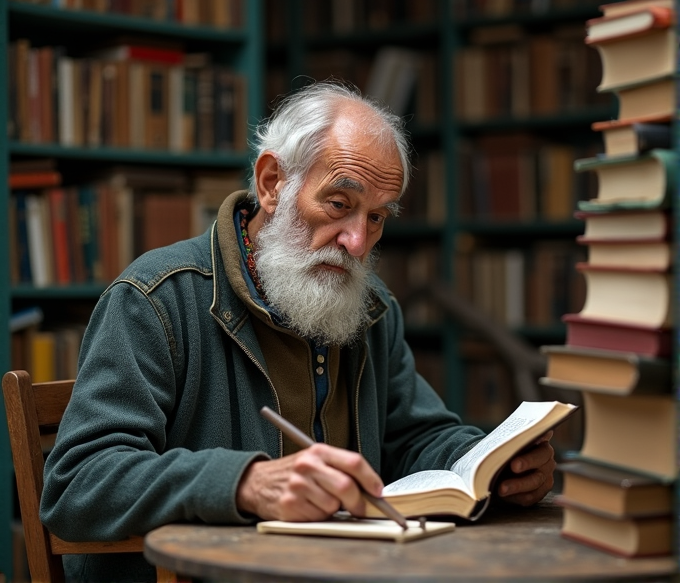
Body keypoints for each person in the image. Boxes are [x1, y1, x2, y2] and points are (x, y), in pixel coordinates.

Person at [40, 81, 555, 582]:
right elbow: (77, 483)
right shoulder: (156, 299)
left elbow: (417, 436)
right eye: (338, 204)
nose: (357, 241)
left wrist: (493, 464)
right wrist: (244, 484)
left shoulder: (370, 310)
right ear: (272, 184)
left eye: (376, 217)